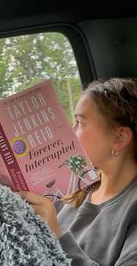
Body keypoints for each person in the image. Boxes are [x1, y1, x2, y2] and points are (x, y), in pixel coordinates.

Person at [20, 77, 137, 265]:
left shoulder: (131, 209)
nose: (70, 131)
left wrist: (56, 237)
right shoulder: (76, 188)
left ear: (119, 138)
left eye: (80, 123)